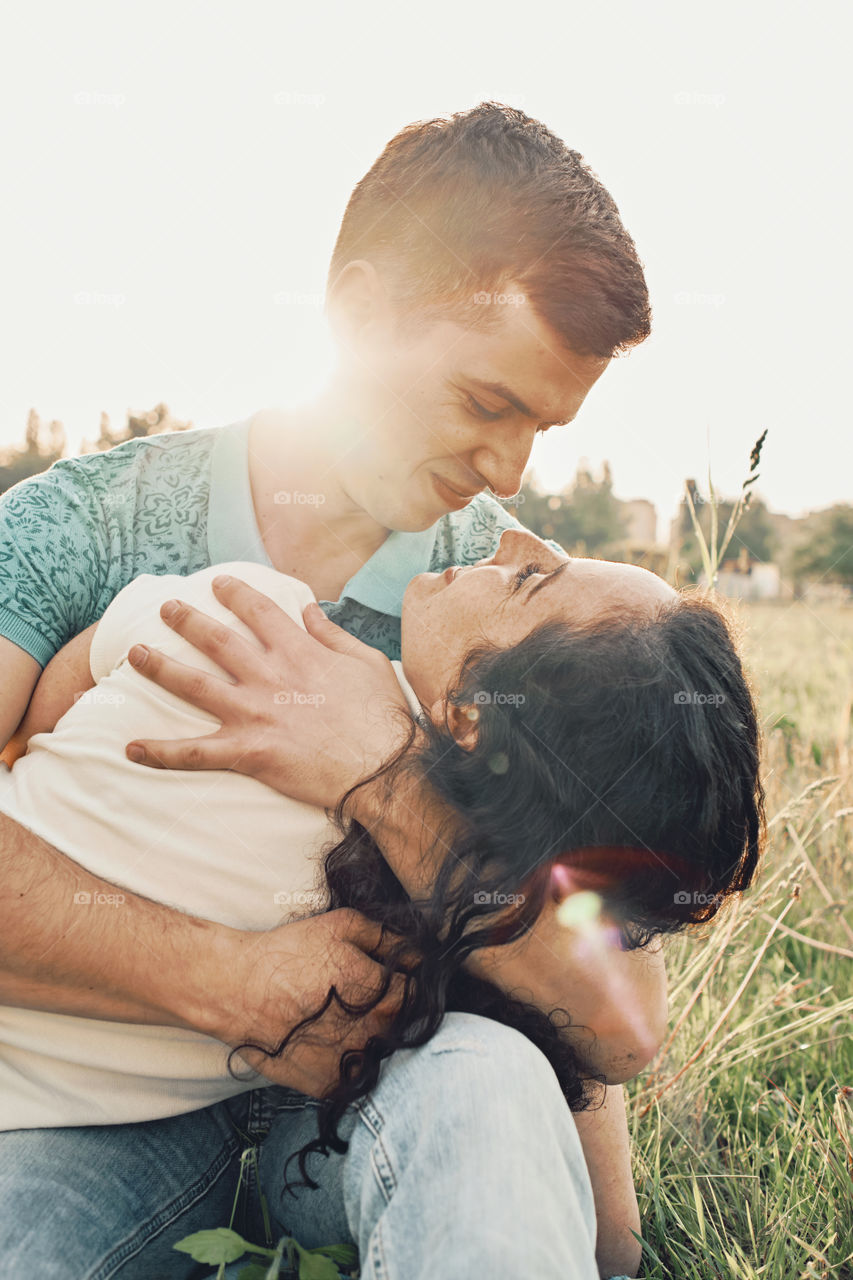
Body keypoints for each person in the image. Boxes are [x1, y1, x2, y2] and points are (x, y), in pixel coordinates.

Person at [0, 102, 662, 1276]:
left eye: (542, 427)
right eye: (485, 402)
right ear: (355, 313)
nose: (507, 474)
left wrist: (389, 776)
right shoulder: (71, 526)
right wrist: (230, 978)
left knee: (493, 1082)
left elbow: (611, 1008)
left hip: (386, 1095)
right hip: (89, 1109)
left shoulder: (502, 608)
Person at [0, 532, 764, 1280]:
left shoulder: (253, 610)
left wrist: (382, 771)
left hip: (128, 1112)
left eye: (532, 577)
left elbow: (618, 1034)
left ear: (470, 716)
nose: (512, 529)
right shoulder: (202, 585)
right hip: (64, 1122)